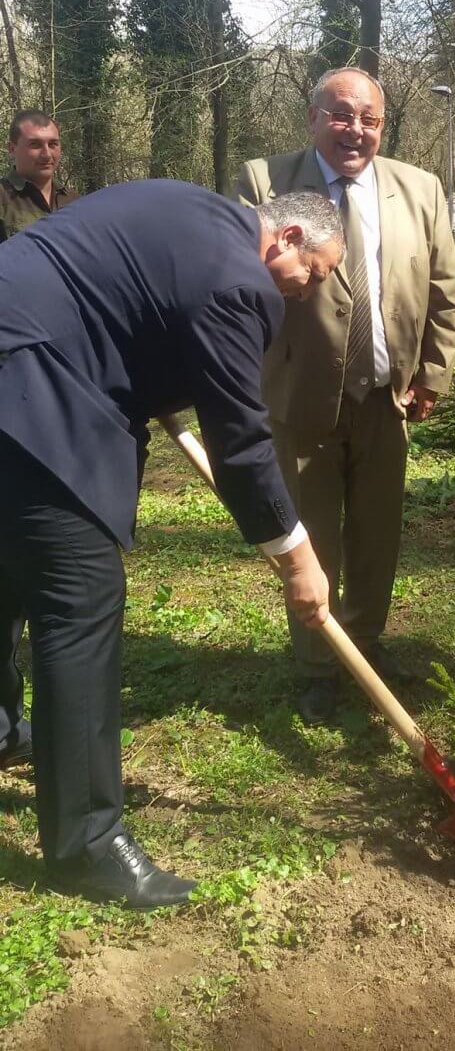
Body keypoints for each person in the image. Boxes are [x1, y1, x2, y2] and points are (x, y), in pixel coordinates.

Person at [0, 180, 342, 907]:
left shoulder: (194, 211)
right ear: (285, 239)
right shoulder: (239, 282)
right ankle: (87, 845)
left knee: (7, 565)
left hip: (18, 345)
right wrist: (298, 558)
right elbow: (243, 444)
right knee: (78, 592)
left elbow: (123, 295)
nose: (303, 294)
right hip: (29, 383)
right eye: (310, 275)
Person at [235, 67, 455, 725]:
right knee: (311, 537)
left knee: (376, 535)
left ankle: (364, 643)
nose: (355, 130)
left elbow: (443, 286)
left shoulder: (420, 188)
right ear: (312, 118)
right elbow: (242, 287)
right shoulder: (264, 181)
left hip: (386, 398)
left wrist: (433, 373)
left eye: (369, 119)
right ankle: (316, 664)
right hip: (299, 397)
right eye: (340, 114)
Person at [1, 110, 77, 240]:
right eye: (35, 145)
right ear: (12, 149)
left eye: (53, 144)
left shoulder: (73, 201)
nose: (47, 154)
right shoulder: (3, 199)